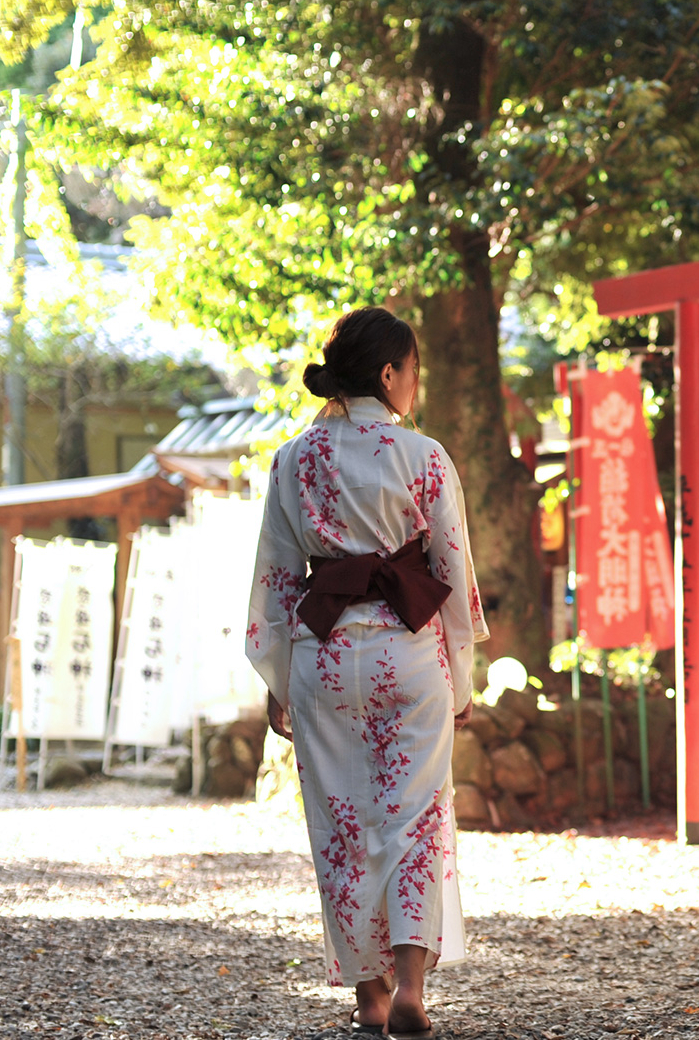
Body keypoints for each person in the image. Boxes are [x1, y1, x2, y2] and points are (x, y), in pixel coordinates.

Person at [245, 306, 487, 1040]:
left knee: (342, 822)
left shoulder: (294, 459)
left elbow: (277, 580)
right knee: (415, 820)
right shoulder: (424, 456)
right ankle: (412, 984)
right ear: (389, 374)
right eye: (412, 370)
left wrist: (278, 680)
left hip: (324, 654)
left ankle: (370, 998)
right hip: (406, 651)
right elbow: (450, 572)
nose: (416, 383)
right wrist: (463, 678)